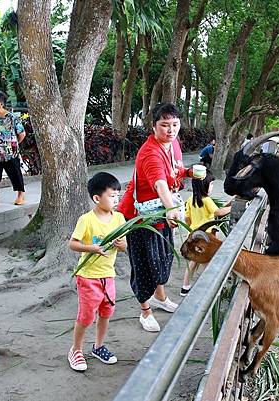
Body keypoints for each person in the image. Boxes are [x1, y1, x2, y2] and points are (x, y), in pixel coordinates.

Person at [118, 103, 203, 332]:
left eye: (175, 125)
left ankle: (160, 297)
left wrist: (188, 172)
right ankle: (145, 311)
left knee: (164, 259)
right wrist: (170, 208)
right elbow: (159, 182)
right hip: (142, 218)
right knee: (145, 264)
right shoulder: (149, 152)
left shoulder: (173, 144)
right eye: (164, 125)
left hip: (163, 216)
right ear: (154, 126)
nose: (171, 130)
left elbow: (173, 172)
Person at [67, 172, 127, 372]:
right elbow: (73, 244)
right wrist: (92, 248)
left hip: (108, 276)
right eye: (112, 196)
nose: (116, 199)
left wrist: (120, 245)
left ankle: (98, 346)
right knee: (86, 317)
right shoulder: (87, 220)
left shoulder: (119, 218)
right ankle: (76, 350)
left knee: (106, 312)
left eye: (118, 195)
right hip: (88, 277)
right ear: (96, 198)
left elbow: (125, 245)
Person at [180, 170, 231, 296]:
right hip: (206, 238)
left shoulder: (191, 199)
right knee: (207, 262)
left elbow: (187, 219)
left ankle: (185, 287)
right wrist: (231, 207)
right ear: (204, 185)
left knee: (194, 262)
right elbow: (218, 212)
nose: (212, 186)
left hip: (194, 235)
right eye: (211, 184)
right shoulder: (206, 200)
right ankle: (208, 288)